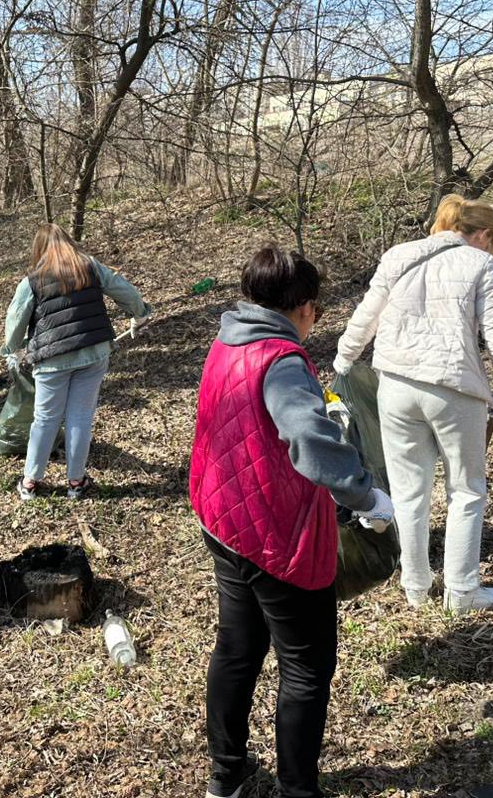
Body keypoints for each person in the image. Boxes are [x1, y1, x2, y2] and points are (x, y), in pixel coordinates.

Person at [189, 246, 392, 798]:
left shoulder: (227, 339)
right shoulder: (280, 359)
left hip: (223, 516)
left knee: (238, 648)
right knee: (306, 666)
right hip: (274, 533)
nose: (314, 320)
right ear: (303, 307)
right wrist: (365, 496)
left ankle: (226, 776)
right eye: (316, 311)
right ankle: (298, 791)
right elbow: (308, 439)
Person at [335, 194, 493, 615]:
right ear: (483, 234)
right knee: (466, 490)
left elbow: (366, 315)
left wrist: (344, 359)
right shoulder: (480, 264)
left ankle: (416, 586)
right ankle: (462, 592)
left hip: (395, 384)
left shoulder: (398, 255)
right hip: (453, 387)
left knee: (407, 491)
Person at [2, 223, 150, 500]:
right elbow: (124, 290)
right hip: (93, 352)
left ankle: (30, 482)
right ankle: (76, 481)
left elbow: (16, 319)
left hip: (52, 359)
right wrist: (139, 314)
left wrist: (12, 349)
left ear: (39, 249)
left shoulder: (32, 281)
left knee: (45, 419)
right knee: (80, 416)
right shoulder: (90, 267)